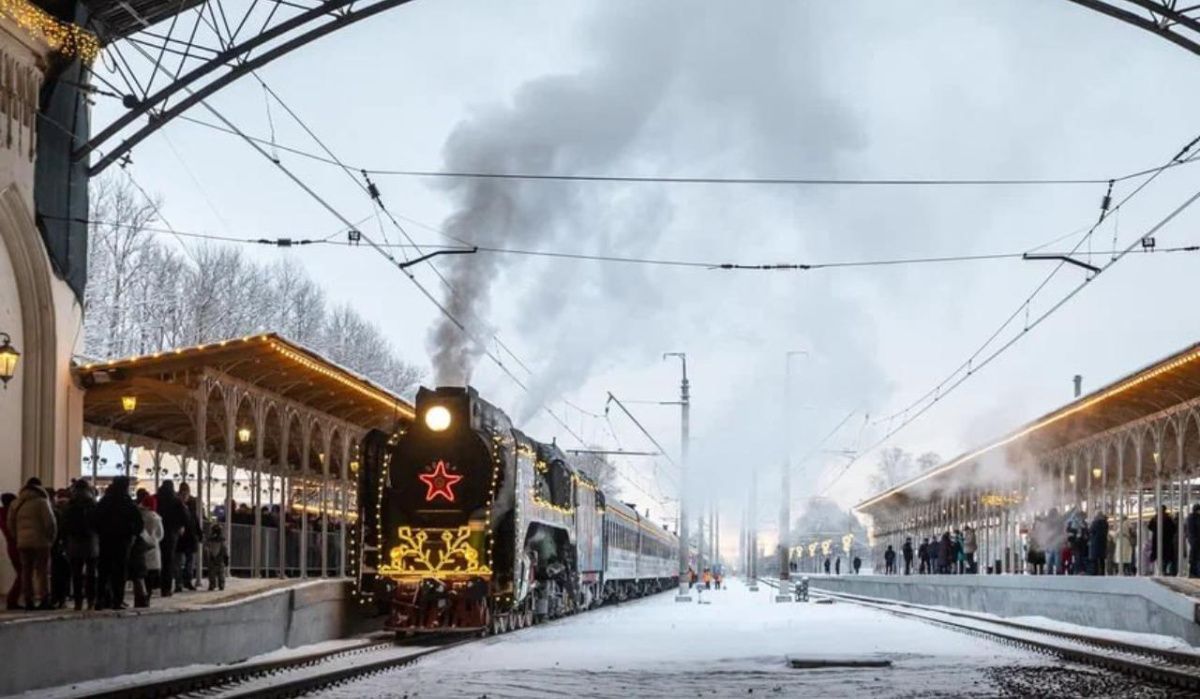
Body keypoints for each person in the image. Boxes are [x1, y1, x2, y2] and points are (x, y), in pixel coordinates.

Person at [94, 476, 143, 610]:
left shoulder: (105, 501)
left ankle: (100, 599)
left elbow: (95, 519)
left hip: (106, 540)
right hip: (122, 541)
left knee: (104, 571)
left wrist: (100, 532)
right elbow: (138, 521)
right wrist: (133, 534)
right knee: (119, 572)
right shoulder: (126, 501)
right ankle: (117, 600)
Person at [7, 477, 57, 610]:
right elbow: (50, 523)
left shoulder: (16, 503)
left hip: (23, 543)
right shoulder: (42, 502)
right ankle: (44, 598)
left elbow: (10, 524)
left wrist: (18, 537)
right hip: (41, 542)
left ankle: (28, 600)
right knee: (42, 572)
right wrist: (50, 539)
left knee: (26, 572)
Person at [63, 480, 99, 611]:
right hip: (91, 542)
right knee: (91, 574)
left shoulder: (70, 505)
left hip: (74, 542)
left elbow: (64, 525)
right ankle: (91, 600)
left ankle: (78, 601)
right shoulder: (93, 504)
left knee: (76, 574)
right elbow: (98, 523)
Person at [155, 481, 187, 598]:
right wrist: (180, 526)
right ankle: (166, 589)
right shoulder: (175, 501)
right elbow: (185, 516)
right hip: (171, 534)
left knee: (156, 559)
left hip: (156, 532)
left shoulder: (157, 498)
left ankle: (153, 584)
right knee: (168, 561)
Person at [132, 495, 164, 608]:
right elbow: (160, 535)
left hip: (140, 551)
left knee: (140, 578)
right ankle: (146, 599)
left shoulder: (137, 516)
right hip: (153, 552)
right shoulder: (156, 518)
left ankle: (140, 600)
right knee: (150, 580)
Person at [176, 482, 200, 592]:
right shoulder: (176, 503)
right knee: (179, 561)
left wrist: (199, 533)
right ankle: (179, 582)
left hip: (190, 536)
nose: (185, 496)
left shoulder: (192, 504)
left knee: (189, 561)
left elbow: (195, 519)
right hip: (182, 537)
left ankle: (186, 581)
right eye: (183, 494)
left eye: (186, 494)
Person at [0, 492, 20, 609]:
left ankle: (13, 599)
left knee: (21, 572)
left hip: (11, 544)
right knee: (22, 573)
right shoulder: (10, 514)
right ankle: (12, 599)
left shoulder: (2, 513)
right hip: (16, 544)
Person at [204, 523, 229, 591]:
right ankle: (221, 585)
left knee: (212, 572)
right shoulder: (222, 540)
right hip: (220, 558)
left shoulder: (210, 539)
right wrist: (226, 558)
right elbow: (224, 549)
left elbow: (206, 548)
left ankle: (212, 585)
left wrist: (206, 557)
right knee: (221, 572)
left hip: (212, 558)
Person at [1089, 511, 1108, 576]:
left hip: (1095, 543)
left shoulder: (1095, 523)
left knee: (1095, 559)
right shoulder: (1106, 523)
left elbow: (1090, 530)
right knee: (1102, 559)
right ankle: (1102, 572)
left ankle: (1095, 572)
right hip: (1103, 543)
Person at [1188, 504, 1200, 578]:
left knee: (1195, 557)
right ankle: (1194, 573)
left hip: (1194, 540)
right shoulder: (1193, 518)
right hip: (1196, 541)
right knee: (1196, 557)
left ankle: (1194, 573)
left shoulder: (1191, 518)